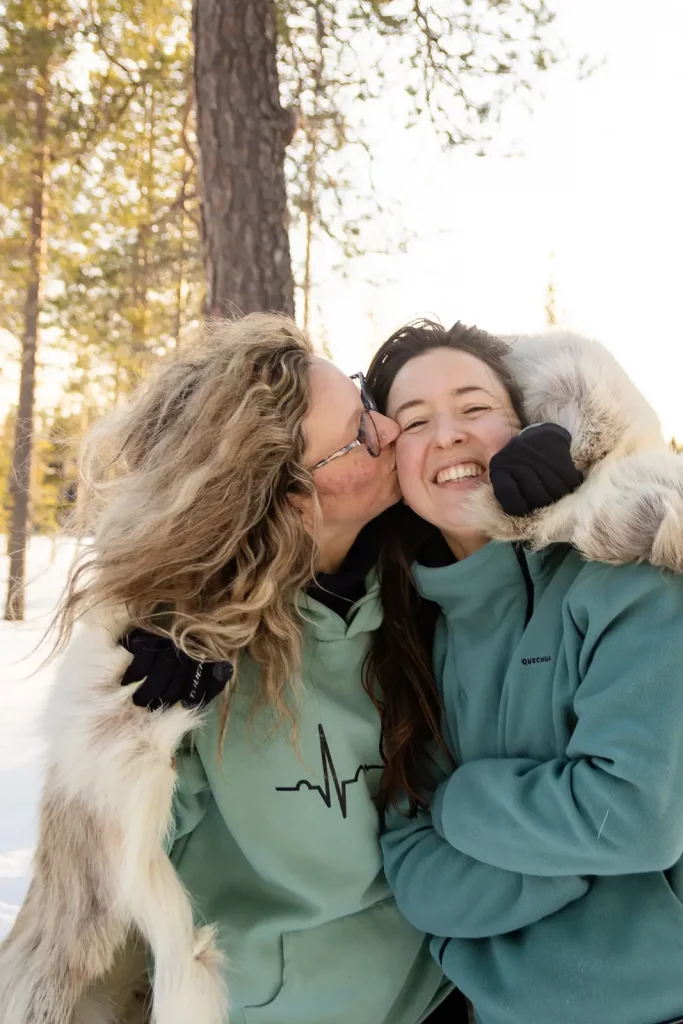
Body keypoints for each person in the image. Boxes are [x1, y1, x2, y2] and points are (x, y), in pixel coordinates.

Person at [365, 319, 683, 1024]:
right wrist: (573, 856)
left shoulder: (626, 574)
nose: (447, 433)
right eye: (414, 420)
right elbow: (414, 873)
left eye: (474, 408)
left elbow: (632, 822)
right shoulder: (402, 629)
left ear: (527, 424)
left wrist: (457, 805)